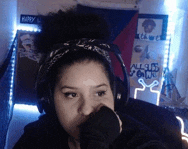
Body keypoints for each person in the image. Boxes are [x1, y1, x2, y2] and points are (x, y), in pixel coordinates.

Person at [13, 7, 181, 149]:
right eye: (71, 94)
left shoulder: (140, 141)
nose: (87, 110)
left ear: (116, 94)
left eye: (100, 93)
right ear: (48, 100)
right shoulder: (37, 137)